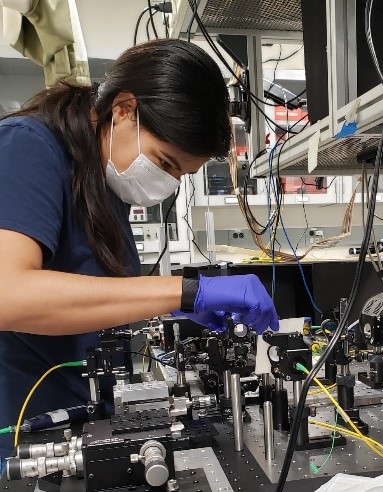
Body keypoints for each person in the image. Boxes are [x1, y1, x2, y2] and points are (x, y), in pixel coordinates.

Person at [0, 38, 279, 463]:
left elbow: (88, 295)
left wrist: (171, 309)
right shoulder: (29, 146)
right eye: (166, 163)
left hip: (78, 424)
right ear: (124, 108)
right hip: (20, 435)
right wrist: (185, 293)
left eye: (181, 174)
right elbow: (9, 293)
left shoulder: (103, 184)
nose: (167, 183)